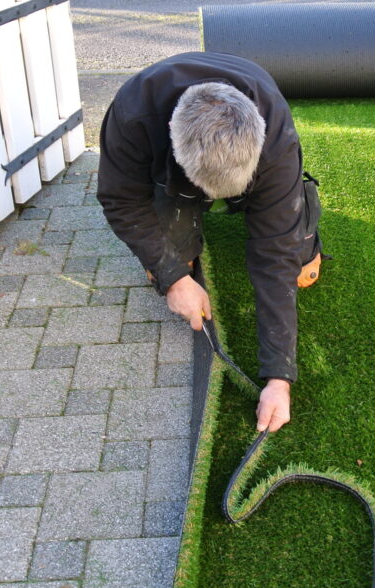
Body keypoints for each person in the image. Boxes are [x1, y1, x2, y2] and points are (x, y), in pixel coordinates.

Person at [96, 52, 323, 434]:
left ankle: (274, 207)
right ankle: (181, 221)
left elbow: (275, 254)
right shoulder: (133, 115)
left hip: (251, 156)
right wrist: (174, 277)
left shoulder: (276, 136)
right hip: (168, 167)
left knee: (298, 265)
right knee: (167, 268)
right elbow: (121, 201)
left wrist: (278, 378)